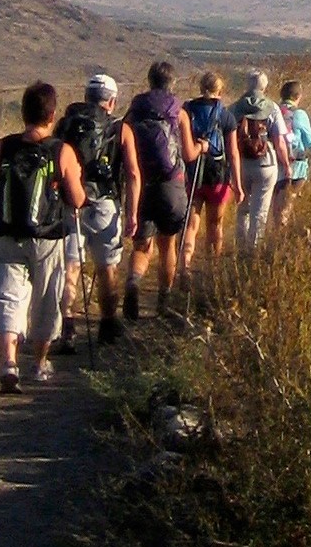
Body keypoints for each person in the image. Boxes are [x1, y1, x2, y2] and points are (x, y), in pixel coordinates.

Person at [0, 82, 85, 393]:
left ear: (23, 113)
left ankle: (9, 364)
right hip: (47, 237)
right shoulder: (61, 150)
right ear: (52, 115)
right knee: (46, 301)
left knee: (10, 299)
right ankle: (39, 364)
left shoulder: (4, 146)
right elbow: (77, 199)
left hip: (7, 235)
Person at [56, 74, 142, 342]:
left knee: (71, 266)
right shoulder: (120, 128)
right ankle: (107, 324)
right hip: (106, 203)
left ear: (86, 96)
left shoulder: (65, 124)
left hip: (71, 202)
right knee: (107, 267)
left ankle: (67, 325)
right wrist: (132, 213)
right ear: (112, 101)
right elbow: (133, 173)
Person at [124, 60, 204, 318]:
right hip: (171, 184)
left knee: (141, 246)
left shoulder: (135, 109)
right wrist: (202, 147)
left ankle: (134, 281)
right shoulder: (178, 111)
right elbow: (189, 154)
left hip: (142, 184)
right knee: (168, 244)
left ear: (149, 81)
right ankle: (163, 302)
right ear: (172, 83)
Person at [229, 70, 295, 252]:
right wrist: (287, 165)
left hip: (240, 164)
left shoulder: (234, 108)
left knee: (243, 209)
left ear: (247, 86)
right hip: (266, 164)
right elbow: (279, 141)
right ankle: (253, 252)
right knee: (260, 212)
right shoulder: (272, 107)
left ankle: (240, 249)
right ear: (264, 87)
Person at [181, 72, 236, 268]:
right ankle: (212, 267)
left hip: (192, 174)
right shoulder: (226, 116)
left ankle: (185, 264)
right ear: (220, 91)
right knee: (215, 224)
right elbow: (233, 153)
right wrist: (237, 183)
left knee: (191, 224)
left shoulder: (187, 111)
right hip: (218, 176)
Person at [272, 79, 311, 231]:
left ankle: (275, 228)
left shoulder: (273, 110)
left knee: (276, 202)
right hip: (296, 165)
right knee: (289, 200)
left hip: (274, 163)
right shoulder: (300, 114)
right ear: (298, 96)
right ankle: (281, 231)